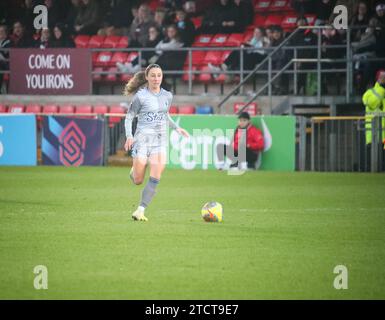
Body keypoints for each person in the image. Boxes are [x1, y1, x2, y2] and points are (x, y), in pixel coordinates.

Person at [123, 64, 189, 221]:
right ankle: (134, 170)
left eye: (159, 75)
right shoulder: (140, 96)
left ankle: (140, 210)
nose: (156, 78)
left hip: (160, 141)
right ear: (147, 77)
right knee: (138, 180)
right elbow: (129, 117)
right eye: (153, 75)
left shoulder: (167, 96)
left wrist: (177, 128)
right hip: (142, 140)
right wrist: (129, 136)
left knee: (155, 176)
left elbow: (165, 115)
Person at [362, 69, 385, 148]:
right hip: (374, 134)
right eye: (382, 77)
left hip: (381, 135)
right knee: (373, 158)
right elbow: (372, 103)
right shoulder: (370, 92)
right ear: (377, 79)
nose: (383, 79)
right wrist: (381, 91)